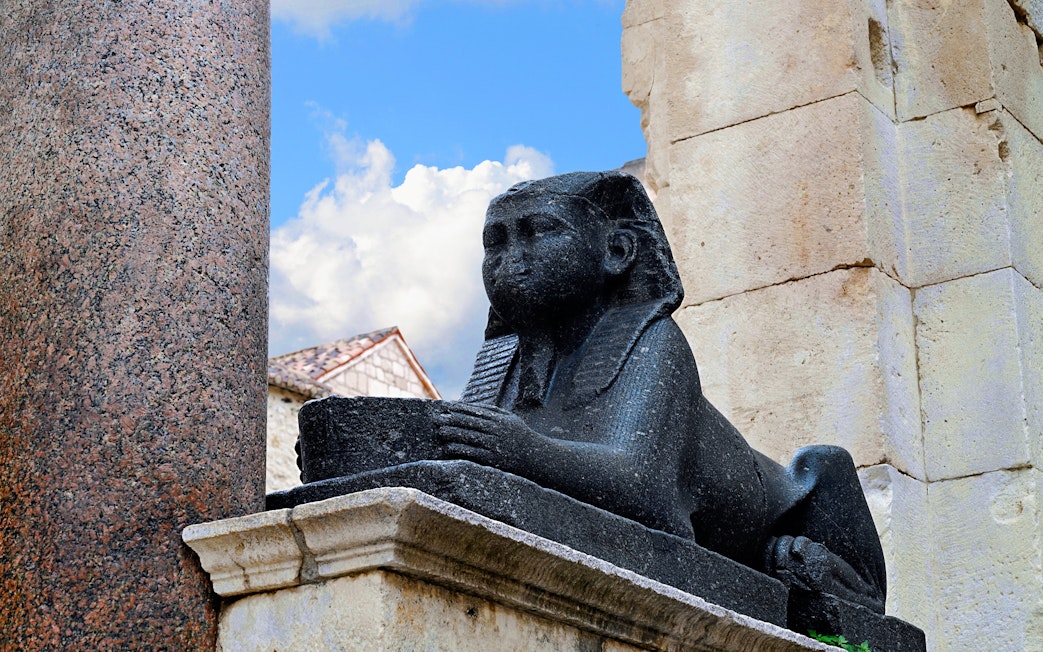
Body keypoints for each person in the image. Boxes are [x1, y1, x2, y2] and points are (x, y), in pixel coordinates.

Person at [435, 171, 887, 611]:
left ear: (617, 251)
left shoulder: (653, 342)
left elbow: (646, 490)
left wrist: (525, 449)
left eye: (540, 231)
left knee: (824, 463)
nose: (511, 256)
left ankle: (853, 587)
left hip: (776, 511)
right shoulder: (507, 364)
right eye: (495, 240)